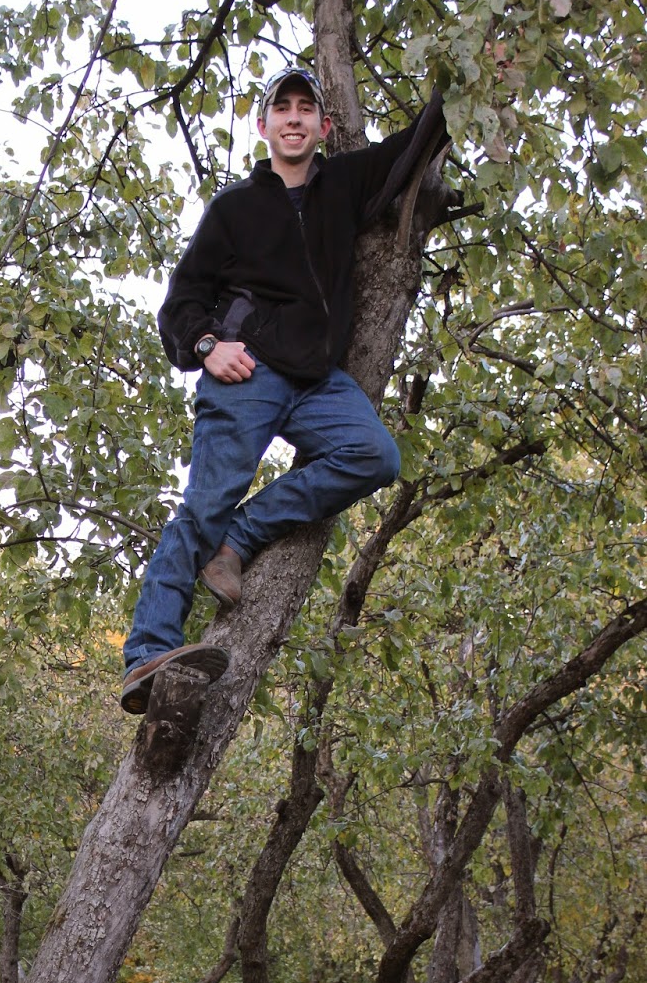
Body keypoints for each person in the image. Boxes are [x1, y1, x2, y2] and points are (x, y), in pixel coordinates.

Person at [120, 66, 447, 715]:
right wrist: (210, 348)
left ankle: (241, 538)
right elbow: (179, 305)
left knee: (375, 456)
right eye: (282, 108)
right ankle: (147, 654)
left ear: (324, 128)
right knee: (203, 506)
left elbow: (416, 140)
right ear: (264, 125)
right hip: (248, 372)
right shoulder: (235, 208)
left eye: (306, 109)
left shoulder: (343, 186)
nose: (294, 118)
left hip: (318, 380)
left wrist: (467, 80)